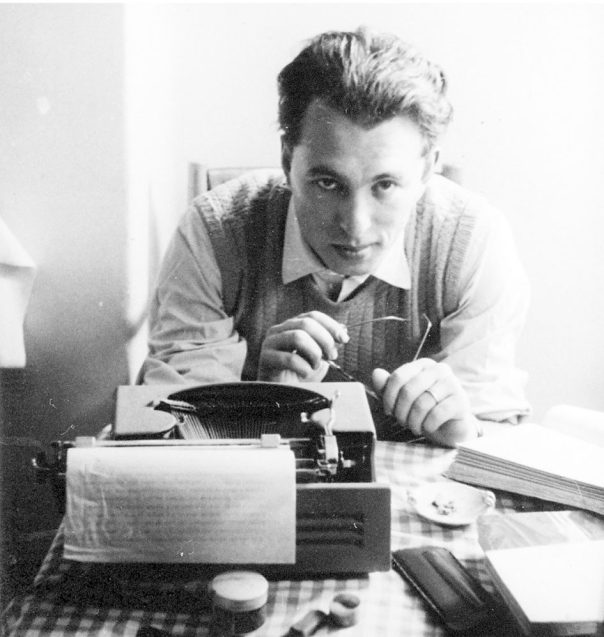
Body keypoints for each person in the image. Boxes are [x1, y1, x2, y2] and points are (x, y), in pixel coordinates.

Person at [140, 28, 530, 447]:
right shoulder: (213, 232)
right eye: (328, 183)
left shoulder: (472, 242)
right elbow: (171, 435)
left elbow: (497, 435)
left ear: (426, 170)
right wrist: (263, 401)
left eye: (385, 185)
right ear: (287, 159)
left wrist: (464, 429)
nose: (356, 226)